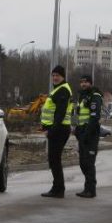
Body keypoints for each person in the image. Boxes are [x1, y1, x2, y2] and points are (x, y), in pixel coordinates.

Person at [40, 65, 73, 198]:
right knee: (54, 159)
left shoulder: (63, 90)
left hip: (59, 130)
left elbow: (60, 113)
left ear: (63, 77)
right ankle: (58, 187)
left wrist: (52, 131)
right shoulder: (58, 89)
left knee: (54, 159)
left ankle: (58, 189)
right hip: (57, 129)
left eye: (57, 75)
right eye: (53, 75)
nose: (54, 77)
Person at [74, 74, 103, 198]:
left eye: (86, 82)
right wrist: (77, 130)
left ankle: (91, 189)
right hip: (82, 133)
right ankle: (87, 188)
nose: (83, 84)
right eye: (81, 82)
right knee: (82, 163)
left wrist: (87, 133)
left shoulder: (94, 96)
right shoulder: (82, 96)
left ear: (90, 83)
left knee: (89, 163)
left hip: (90, 134)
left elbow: (94, 116)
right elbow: (80, 115)